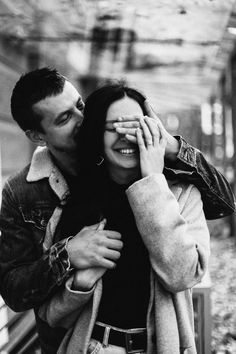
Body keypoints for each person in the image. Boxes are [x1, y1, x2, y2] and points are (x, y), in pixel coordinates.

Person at [0, 68, 233, 353]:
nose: (82, 121)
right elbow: (16, 291)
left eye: (80, 106)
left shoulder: (173, 186)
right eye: (64, 119)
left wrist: (168, 148)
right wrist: (67, 256)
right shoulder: (30, 192)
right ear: (37, 136)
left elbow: (224, 204)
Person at [38, 83, 210, 354]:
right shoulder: (72, 199)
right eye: (114, 127)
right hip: (93, 347)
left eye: (135, 126)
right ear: (96, 133)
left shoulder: (182, 196)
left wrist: (152, 182)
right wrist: (80, 285)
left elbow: (183, 275)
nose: (126, 137)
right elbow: (51, 315)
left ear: (153, 131)